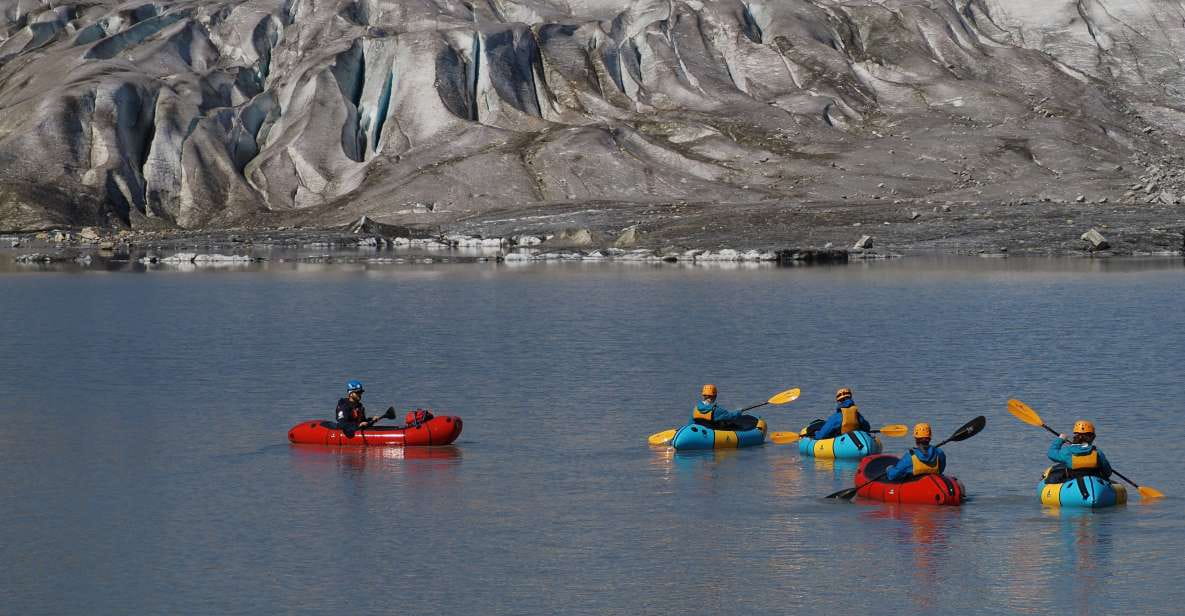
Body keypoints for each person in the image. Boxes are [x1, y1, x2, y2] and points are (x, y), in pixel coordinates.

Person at [1047, 420, 1113, 479]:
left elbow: (1051, 453)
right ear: (1091, 438)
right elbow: (1108, 472)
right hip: (1094, 482)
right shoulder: (1097, 452)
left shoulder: (1068, 451)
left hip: (1073, 482)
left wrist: (1060, 439)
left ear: (1075, 436)